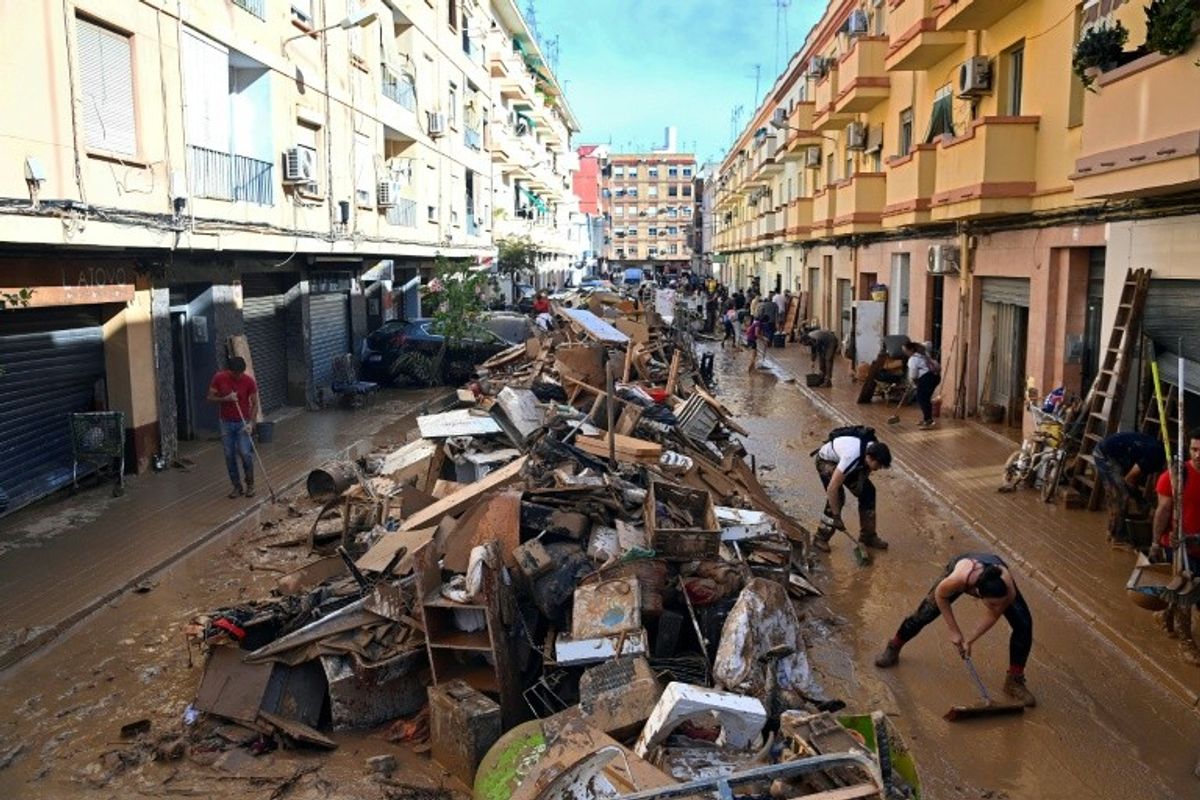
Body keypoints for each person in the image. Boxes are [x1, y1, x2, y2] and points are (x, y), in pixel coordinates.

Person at [873, 552, 1037, 707]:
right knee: (924, 614)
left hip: (992, 572)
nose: (997, 607)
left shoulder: (1007, 588)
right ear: (978, 594)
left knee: (1024, 624)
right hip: (964, 566)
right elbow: (941, 596)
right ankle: (894, 646)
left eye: (1000, 603)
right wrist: (954, 631)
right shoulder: (957, 579)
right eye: (992, 603)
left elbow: (993, 614)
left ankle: (1014, 680)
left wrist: (970, 641)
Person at [1150, 429, 1200, 665]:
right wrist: (1155, 542)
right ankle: (1186, 640)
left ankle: (1165, 615)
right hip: (1180, 545)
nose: (1198, 454)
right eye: (1194, 449)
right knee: (1186, 591)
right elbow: (1163, 511)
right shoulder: (1176, 477)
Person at [812, 429, 892, 552]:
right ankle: (821, 537)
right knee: (837, 498)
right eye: (878, 465)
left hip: (849, 462)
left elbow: (866, 470)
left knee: (868, 492)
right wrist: (836, 516)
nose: (878, 469)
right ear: (870, 458)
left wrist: (860, 484)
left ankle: (868, 537)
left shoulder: (874, 447)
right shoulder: (851, 457)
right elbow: (832, 488)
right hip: (827, 461)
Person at [1094, 431, 1167, 544]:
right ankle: (1117, 536)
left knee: (1126, 493)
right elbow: (1129, 478)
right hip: (1106, 454)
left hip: (1121, 454)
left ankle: (1116, 530)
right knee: (1120, 496)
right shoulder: (1155, 456)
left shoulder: (1160, 455)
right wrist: (1139, 499)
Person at [206, 356, 259, 498]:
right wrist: (225, 399)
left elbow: (255, 404)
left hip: (243, 422)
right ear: (230, 371)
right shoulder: (219, 378)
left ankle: (250, 484)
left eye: (241, 373)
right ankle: (236, 486)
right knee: (229, 455)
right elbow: (210, 397)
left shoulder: (248, 381)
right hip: (226, 422)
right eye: (236, 373)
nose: (239, 376)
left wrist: (251, 424)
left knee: (245, 453)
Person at [902, 341, 941, 428]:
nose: (904, 352)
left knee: (922, 399)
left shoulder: (913, 359)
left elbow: (914, 375)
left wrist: (915, 383)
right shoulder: (923, 355)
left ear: (911, 349)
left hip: (926, 378)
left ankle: (928, 421)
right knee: (925, 399)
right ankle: (927, 419)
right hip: (935, 377)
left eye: (905, 350)